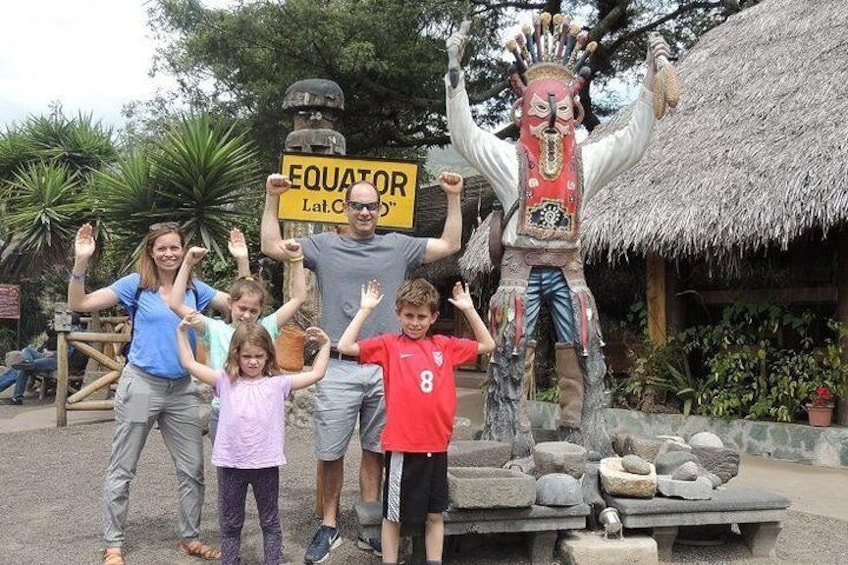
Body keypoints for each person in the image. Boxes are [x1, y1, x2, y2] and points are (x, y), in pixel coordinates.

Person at [444, 15, 673, 454]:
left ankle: (578, 430)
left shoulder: (589, 161)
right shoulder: (505, 158)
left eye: (561, 111)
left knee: (583, 346)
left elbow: (634, 140)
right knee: (512, 346)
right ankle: (512, 434)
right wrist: (455, 77)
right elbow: (465, 134)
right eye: (540, 111)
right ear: (521, 113)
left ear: (576, 114)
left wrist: (648, 81)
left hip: (568, 266)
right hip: (519, 268)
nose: (551, 122)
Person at [260, 171, 464, 563]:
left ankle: (371, 525)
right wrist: (272, 198)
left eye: (371, 206)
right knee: (331, 449)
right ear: (345, 208)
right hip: (337, 363)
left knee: (377, 449)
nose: (365, 212)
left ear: (380, 209)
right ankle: (330, 525)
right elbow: (271, 245)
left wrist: (453, 197)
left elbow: (451, 244)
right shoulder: (323, 246)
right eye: (358, 205)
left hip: (388, 367)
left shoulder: (398, 247)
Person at [69, 222, 230, 565]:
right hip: (142, 385)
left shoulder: (195, 290)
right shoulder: (136, 287)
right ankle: (113, 545)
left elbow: (242, 304)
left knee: (192, 469)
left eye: (175, 247)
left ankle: (190, 538)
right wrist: (81, 261)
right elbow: (80, 303)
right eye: (162, 248)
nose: (169, 254)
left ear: (185, 251)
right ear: (151, 252)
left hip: (181, 390)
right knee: (124, 466)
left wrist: (242, 262)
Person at [337, 278, 495, 565]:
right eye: (408, 315)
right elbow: (347, 345)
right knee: (394, 514)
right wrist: (365, 310)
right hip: (403, 446)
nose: (414, 322)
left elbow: (487, 344)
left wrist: (469, 309)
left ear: (433, 317)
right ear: (398, 313)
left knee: (435, 514)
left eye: (421, 316)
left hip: (436, 445)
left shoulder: (444, 346)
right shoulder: (389, 345)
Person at [176, 313, 331, 565]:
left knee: (270, 521)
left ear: (269, 355)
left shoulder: (277, 384)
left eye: (259, 356)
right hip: (231, 465)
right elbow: (189, 363)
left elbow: (316, 374)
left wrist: (325, 346)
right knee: (230, 523)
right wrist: (181, 332)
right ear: (236, 354)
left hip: (265, 465)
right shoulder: (224, 381)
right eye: (247, 356)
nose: (253, 361)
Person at [167, 235, 306, 444]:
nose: (247, 315)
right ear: (230, 304)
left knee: (262, 468)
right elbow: (176, 304)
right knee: (227, 471)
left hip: (260, 411)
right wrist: (186, 263)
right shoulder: (214, 329)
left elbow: (297, 298)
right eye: (242, 308)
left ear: (261, 311)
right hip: (224, 411)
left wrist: (297, 260)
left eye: (254, 310)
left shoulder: (266, 327)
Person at [0, 315, 86, 405]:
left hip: (60, 361)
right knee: (27, 351)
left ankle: (17, 397)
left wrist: (52, 353)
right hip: (51, 356)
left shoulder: (75, 333)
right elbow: (50, 339)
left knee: (23, 368)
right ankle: (28, 363)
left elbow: (68, 353)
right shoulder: (67, 330)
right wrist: (48, 351)